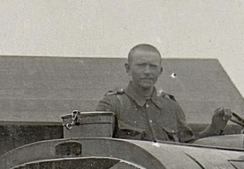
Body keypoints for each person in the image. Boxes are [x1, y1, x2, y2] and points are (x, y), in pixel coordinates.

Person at [100, 43, 236, 141]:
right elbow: (98, 149)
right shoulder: (112, 104)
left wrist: (214, 127)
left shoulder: (171, 107)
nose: (147, 71)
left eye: (153, 66)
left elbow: (190, 148)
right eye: (141, 65)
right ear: (128, 69)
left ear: (160, 71)